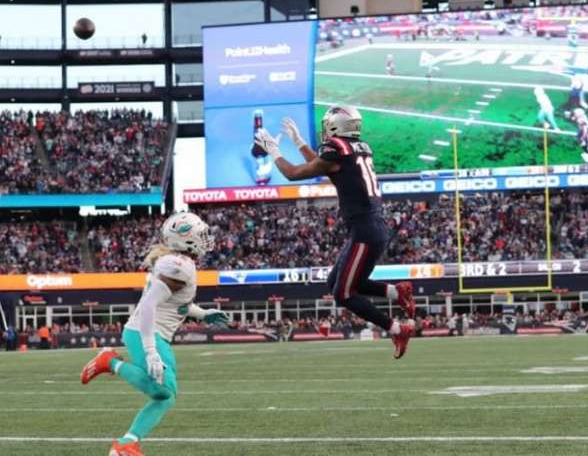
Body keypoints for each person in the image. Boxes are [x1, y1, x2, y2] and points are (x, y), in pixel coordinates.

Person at [253, 106, 417, 359]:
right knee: (337, 283)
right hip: (369, 228)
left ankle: (396, 328)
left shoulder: (337, 151)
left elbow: (294, 173)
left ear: (335, 126)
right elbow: (324, 167)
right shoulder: (357, 148)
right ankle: (396, 292)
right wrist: (299, 143)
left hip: (365, 231)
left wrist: (273, 150)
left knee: (343, 294)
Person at [80, 212, 229, 456]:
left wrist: (203, 314)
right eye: (200, 235)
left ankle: (128, 443)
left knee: (167, 395)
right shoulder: (178, 266)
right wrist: (150, 351)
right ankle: (110, 362)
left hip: (155, 334)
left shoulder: (180, 263)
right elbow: (149, 304)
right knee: (163, 391)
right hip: (145, 333)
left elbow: (177, 304)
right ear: (184, 239)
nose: (205, 239)